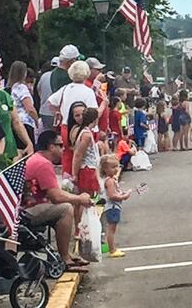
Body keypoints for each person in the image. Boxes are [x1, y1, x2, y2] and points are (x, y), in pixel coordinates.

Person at [22, 130, 92, 273]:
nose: (63, 148)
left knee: (64, 205)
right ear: (51, 147)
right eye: (60, 145)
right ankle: (65, 258)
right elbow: (56, 197)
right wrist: (79, 198)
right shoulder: (43, 164)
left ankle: (66, 254)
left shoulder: (37, 159)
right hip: (28, 211)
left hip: (29, 206)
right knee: (65, 209)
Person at [47, 61, 100, 128]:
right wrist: (104, 104)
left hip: (66, 126)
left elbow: (50, 102)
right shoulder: (88, 91)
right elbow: (94, 113)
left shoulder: (65, 89)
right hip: (82, 128)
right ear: (87, 73)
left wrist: (57, 113)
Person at [100, 154, 131, 258]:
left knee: (112, 228)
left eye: (116, 166)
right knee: (111, 229)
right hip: (112, 207)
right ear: (105, 169)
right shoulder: (109, 181)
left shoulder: (111, 180)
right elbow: (112, 195)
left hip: (113, 207)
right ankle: (112, 249)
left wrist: (122, 193)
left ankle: (111, 247)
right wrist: (123, 196)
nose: (115, 169)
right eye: (112, 167)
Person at [70, 108, 103, 196]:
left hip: (90, 168)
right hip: (87, 169)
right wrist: (75, 174)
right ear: (95, 119)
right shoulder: (86, 135)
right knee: (89, 196)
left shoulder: (85, 132)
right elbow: (78, 154)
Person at [8, 61, 40, 151]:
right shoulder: (21, 87)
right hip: (26, 123)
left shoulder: (10, 88)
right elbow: (29, 108)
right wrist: (37, 120)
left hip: (15, 122)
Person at [37, 59, 56, 132]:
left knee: (47, 134)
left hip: (44, 111)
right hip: (55, 112)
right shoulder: (62, 77)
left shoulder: (44, 76)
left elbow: (39, 90)